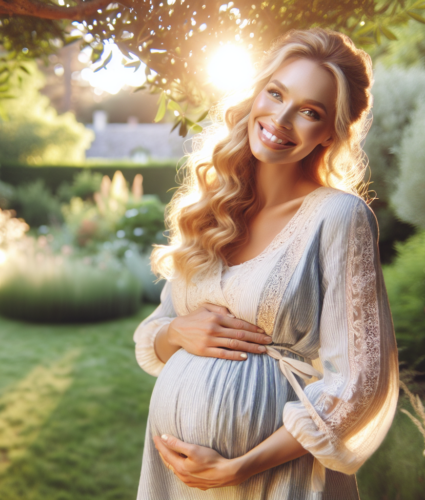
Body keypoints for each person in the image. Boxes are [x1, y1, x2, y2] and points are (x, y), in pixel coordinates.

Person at [133, 28, 398, 499]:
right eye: (276, 93)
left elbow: (359, 383)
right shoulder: (213, 209)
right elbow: (157, 331)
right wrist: (177, 333)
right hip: (177, 480)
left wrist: (238, 467)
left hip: (270, 480)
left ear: (330, 133)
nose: (280, 118)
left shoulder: (338, 216)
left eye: (310, 112)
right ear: (257, 92)